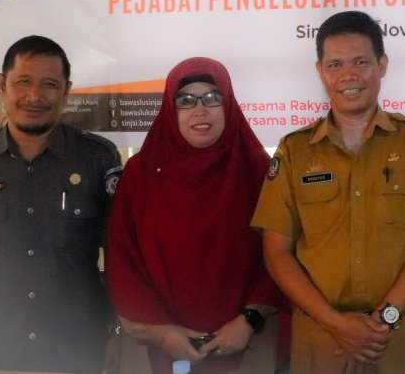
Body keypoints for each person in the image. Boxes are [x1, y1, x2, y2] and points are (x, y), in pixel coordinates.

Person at [252, 11, 405, 373]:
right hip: (322, 339)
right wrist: (338, 325)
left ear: (382, 65)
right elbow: (276, 253)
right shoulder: (294, 151)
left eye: (361, 62)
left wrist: (382, 321)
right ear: (320, 71)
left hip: (398, 338)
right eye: (335, 64)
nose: (349, 75)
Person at [0, 35, 123, 372]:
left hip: (78, 348)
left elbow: (118, 255)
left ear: (66, 91)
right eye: (23, 82)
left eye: (49, 84)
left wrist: (116, 331)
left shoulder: (97, 158)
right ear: (2, 85)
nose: (35, 96)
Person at [106, 57, 287, 374]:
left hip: (249, 342)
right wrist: (162, 333)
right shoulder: (140, 174)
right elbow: (122, 257)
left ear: (228, 105)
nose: (200, 110)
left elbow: (281, 253)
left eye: (212, 98)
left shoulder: (259, 171)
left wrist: (249, 320)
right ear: (170, 109)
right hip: (158, 350)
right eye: (185, 100)